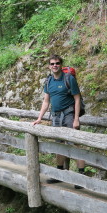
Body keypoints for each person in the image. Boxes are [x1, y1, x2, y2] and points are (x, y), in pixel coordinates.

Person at [33, 54, 86, 188]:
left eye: (57, 63)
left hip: (69, 115)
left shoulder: (69, 79)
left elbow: (77, 99)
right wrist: (40, 118)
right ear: (49, 66)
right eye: (52, 64)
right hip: (56, 117)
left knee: (75, 144)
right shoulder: (49, 81)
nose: (55, 65)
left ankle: (81, 177)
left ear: (61, 65)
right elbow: (46, 101)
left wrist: (76, 119)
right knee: (59, 145)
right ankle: (59, 174)